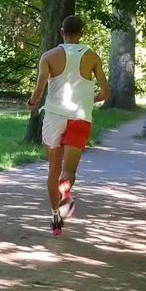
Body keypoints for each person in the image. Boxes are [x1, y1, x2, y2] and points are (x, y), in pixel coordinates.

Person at [25, 15, 110, 237]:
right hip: (80, 118)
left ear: (61, 32)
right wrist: (88, 100)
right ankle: (66, 191)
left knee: (53, 170)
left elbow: (39, 89)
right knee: (68, 171)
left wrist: (32, 103)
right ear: (82, 33)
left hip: (54, 116)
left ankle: (55, 219)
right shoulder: (92, 57)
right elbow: (106, 92)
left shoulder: (49, 56)